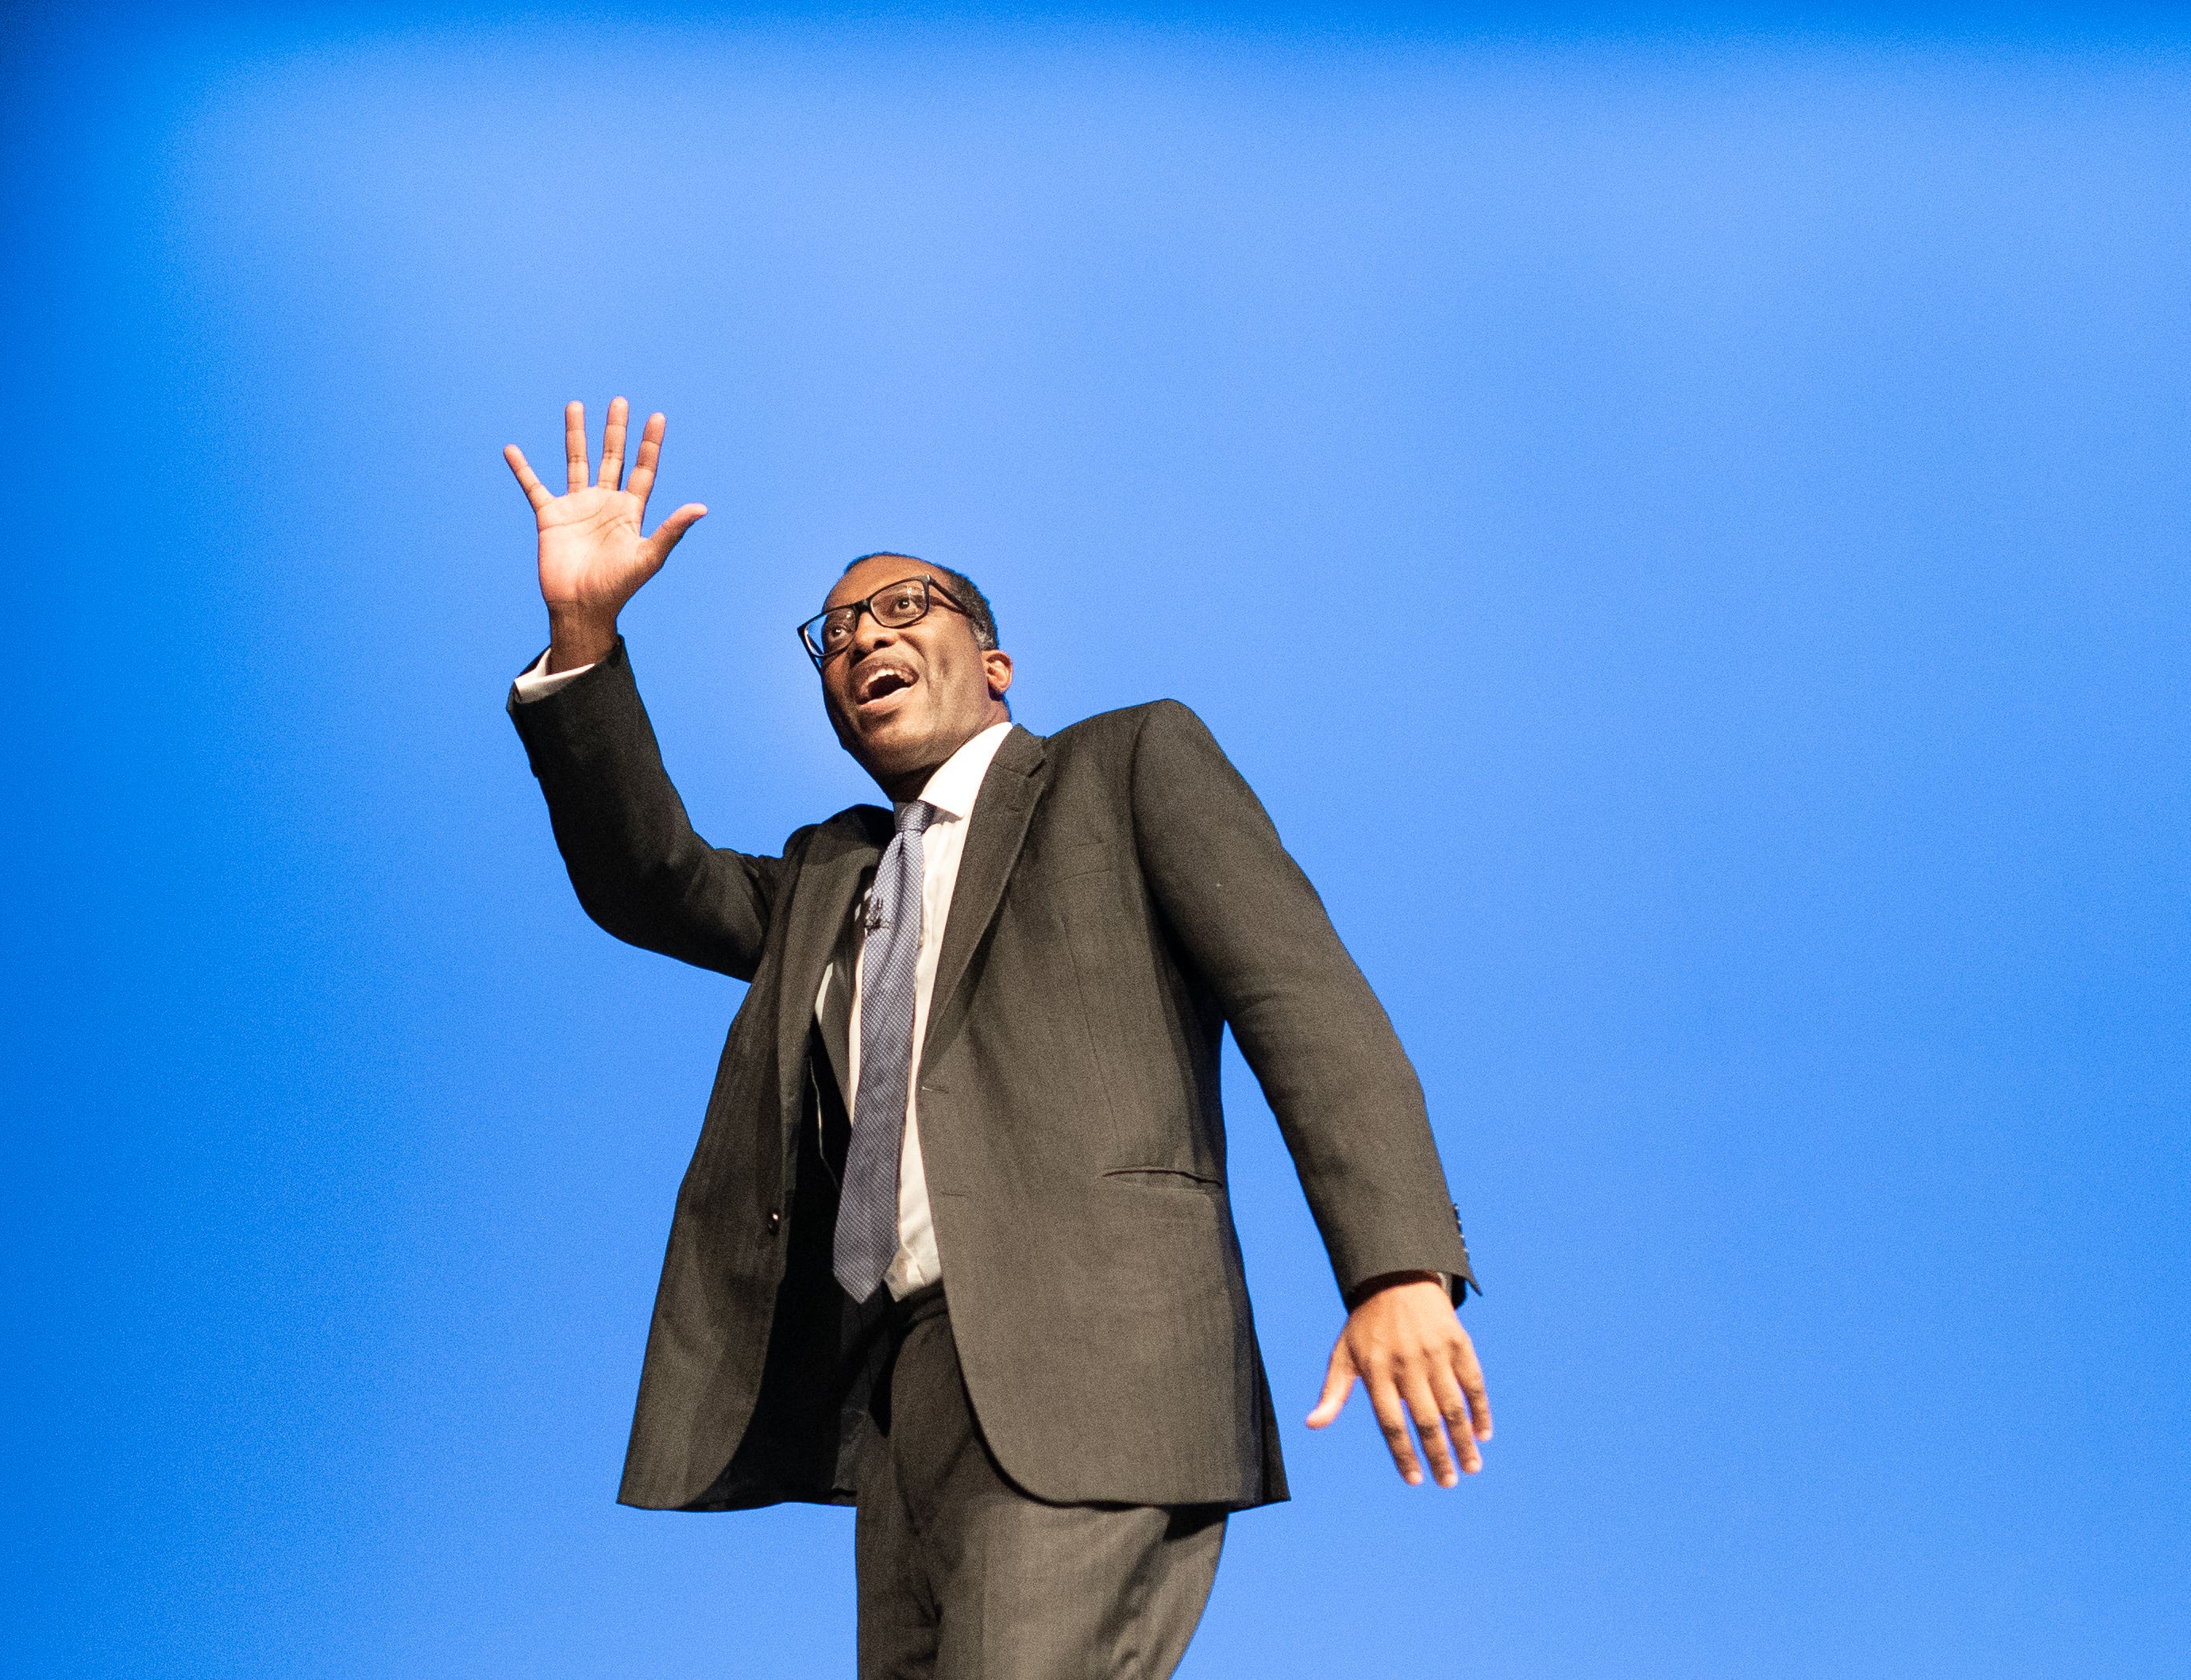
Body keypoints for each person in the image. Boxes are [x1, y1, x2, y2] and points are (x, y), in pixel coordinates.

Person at [503, 398, 1490, 1678]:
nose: (863, 637)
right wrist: (584, 632)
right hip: (900, 1393)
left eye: (904, 607)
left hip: (1097, 1361)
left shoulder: (1126, 767)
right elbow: (647, 877)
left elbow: (1305, 1001)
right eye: (836, 632)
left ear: (995, 660)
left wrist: (1395, 1267)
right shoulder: (823, 880)